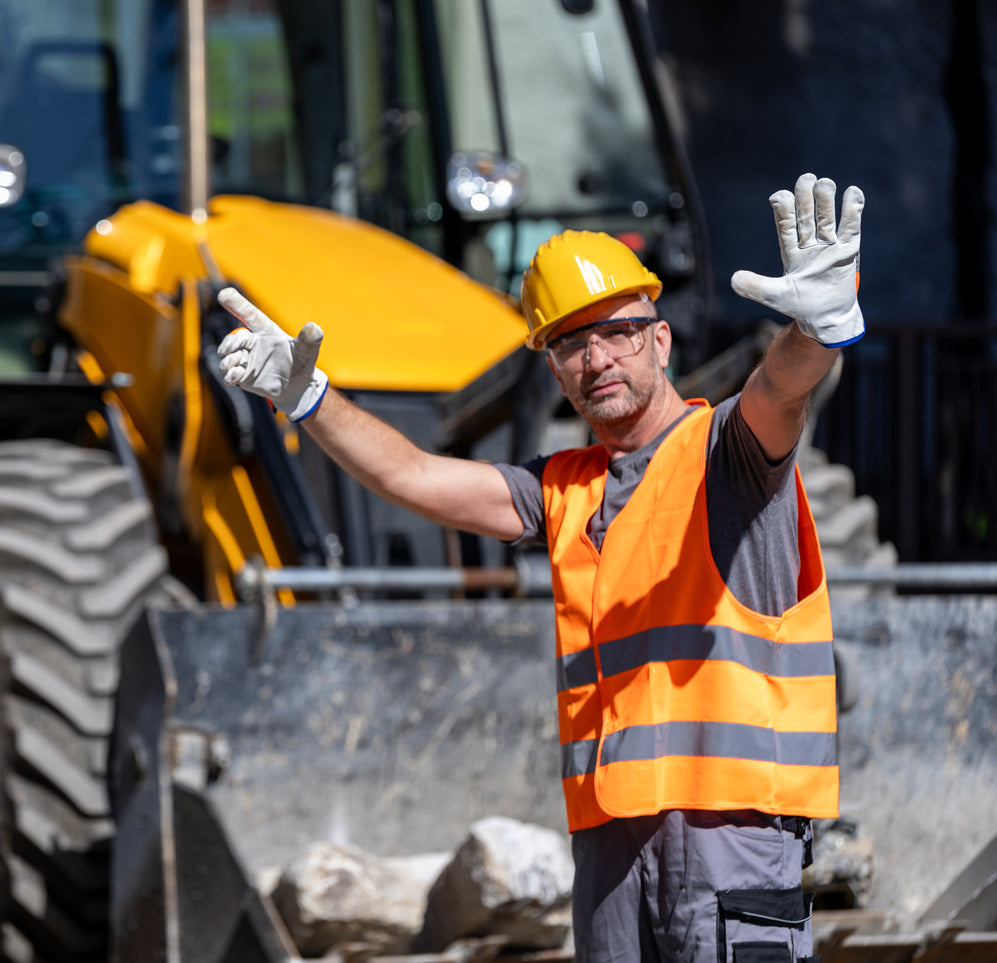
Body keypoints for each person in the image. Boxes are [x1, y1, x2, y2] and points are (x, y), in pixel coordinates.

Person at [215, 172, 861, 963]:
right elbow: (412, 477)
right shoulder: (560, 488)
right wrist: (306, 395)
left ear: (659, 339)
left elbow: (779, 390)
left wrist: (813, 333)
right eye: (569, 342)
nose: (596, 358)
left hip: (729, 833)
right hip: (608, 846)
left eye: (618, 332)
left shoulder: (725, 452)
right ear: (552, 367)